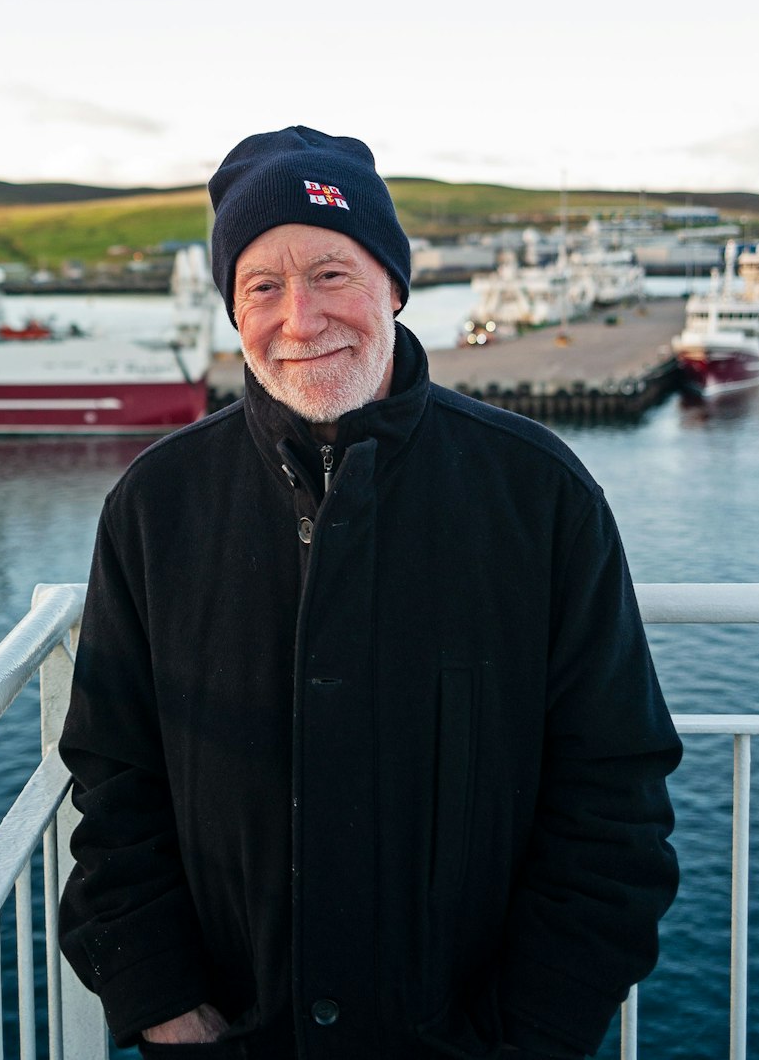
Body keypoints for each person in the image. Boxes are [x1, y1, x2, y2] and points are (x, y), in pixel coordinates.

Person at [58, 125, 681, 1060]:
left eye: (333, 275)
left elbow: (612, 800)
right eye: (262, 286)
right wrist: (169, 1010)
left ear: (394, 282)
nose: (299, 318)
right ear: (234, 311)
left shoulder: (539, 496)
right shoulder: (156, 506)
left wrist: (532, 1034)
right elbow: (115, 786)